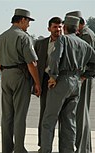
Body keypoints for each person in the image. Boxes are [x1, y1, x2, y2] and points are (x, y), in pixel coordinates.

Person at [40, 16, 95, 153]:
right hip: (76, 82)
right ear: (77, 29)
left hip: (61, 81)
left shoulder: (63, 39)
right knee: (69, 121)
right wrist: (84, 76)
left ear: (64, 28)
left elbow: (55, 57)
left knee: (49, 120)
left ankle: (45, 150)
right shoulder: (85, 45)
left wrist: (53, 76)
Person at [0, 8, 41, 153]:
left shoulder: (1, 37)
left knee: (7, 115)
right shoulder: (23, 37)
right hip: (20, 75)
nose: (28, 25)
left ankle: (7, 149)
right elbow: (31, 63)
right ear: (22, 20)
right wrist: (37, 83)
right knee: (20, 115)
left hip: (5, 75)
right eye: (28, 21)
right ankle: (20, 148)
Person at [66, 11, 95, 153]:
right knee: (80, 112)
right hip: (80, 77)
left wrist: (83, 76)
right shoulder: (83, 34)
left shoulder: (86, 35)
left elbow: (89, 59)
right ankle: (84, 147)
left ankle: (83, 148)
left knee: (81, 112)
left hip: (83, 77)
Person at [34, 17, 63, 152]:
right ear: (49, 29)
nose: (58, 30)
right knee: (45, 113)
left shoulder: (66, 43)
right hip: (46, 81)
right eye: (55, 27)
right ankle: (43, 145)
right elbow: (35, 64)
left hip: (61, 81)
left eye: (60, 27)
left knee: (64, 115)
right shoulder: (40, 44)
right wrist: (36, 84)